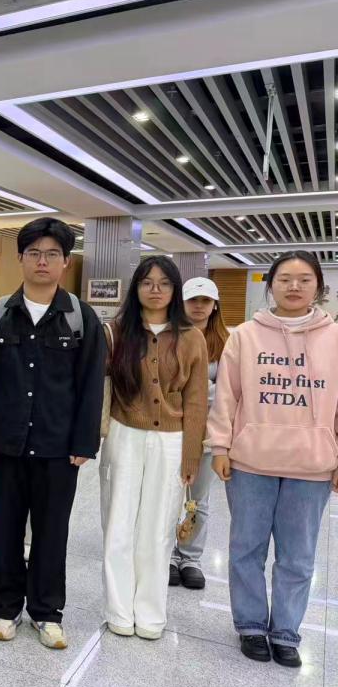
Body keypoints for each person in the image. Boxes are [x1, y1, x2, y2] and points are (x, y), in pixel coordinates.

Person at [0, 218, 106, 650]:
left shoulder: (81, 317)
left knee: (52, 532)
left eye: (52, 254)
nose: (42, 261)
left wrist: (84, 442)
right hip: (4, 443)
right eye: (34, 253)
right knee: (5, 528)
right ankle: (5, 607)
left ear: (65, 261)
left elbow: (91, 384)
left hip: (58, 447)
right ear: (21, 259)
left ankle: (47, 612)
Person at [208, 251, 338, 668]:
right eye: (284, 279)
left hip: (312, 465)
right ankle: (250, 625)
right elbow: (227, 396)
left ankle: (285, 632)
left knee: (298, 556)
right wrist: (220, 447)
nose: (294, 287)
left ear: (319, 287)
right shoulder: (245, 336)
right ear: (270, 285)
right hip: (251, 462)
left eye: (304, 279)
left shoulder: (334, 338)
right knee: (246, 548)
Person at [101, 256, 208, 641]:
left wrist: (191, 455)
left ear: (175, 289)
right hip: (124, 434)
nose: (156, 289)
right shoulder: (117, 332)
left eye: (164, 283)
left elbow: (197, 400)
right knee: (119, 525)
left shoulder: (191, 337)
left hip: (172, 441)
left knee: (158, 529)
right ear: (136, 288)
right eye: (147, 282)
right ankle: (118, 610)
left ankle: (149, 613)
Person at [169, 277, 229, 590]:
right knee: (167, 496)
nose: (199, 306)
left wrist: (194, 390)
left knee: (197, 500)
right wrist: (204, 390)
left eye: (205, 301)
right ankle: (167, 553)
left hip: (206, 435)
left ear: (215, 305)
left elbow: (229, 392)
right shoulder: (169, 337)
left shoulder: (227, 343)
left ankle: (189, 557)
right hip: (170, 431)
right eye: (193, 300)